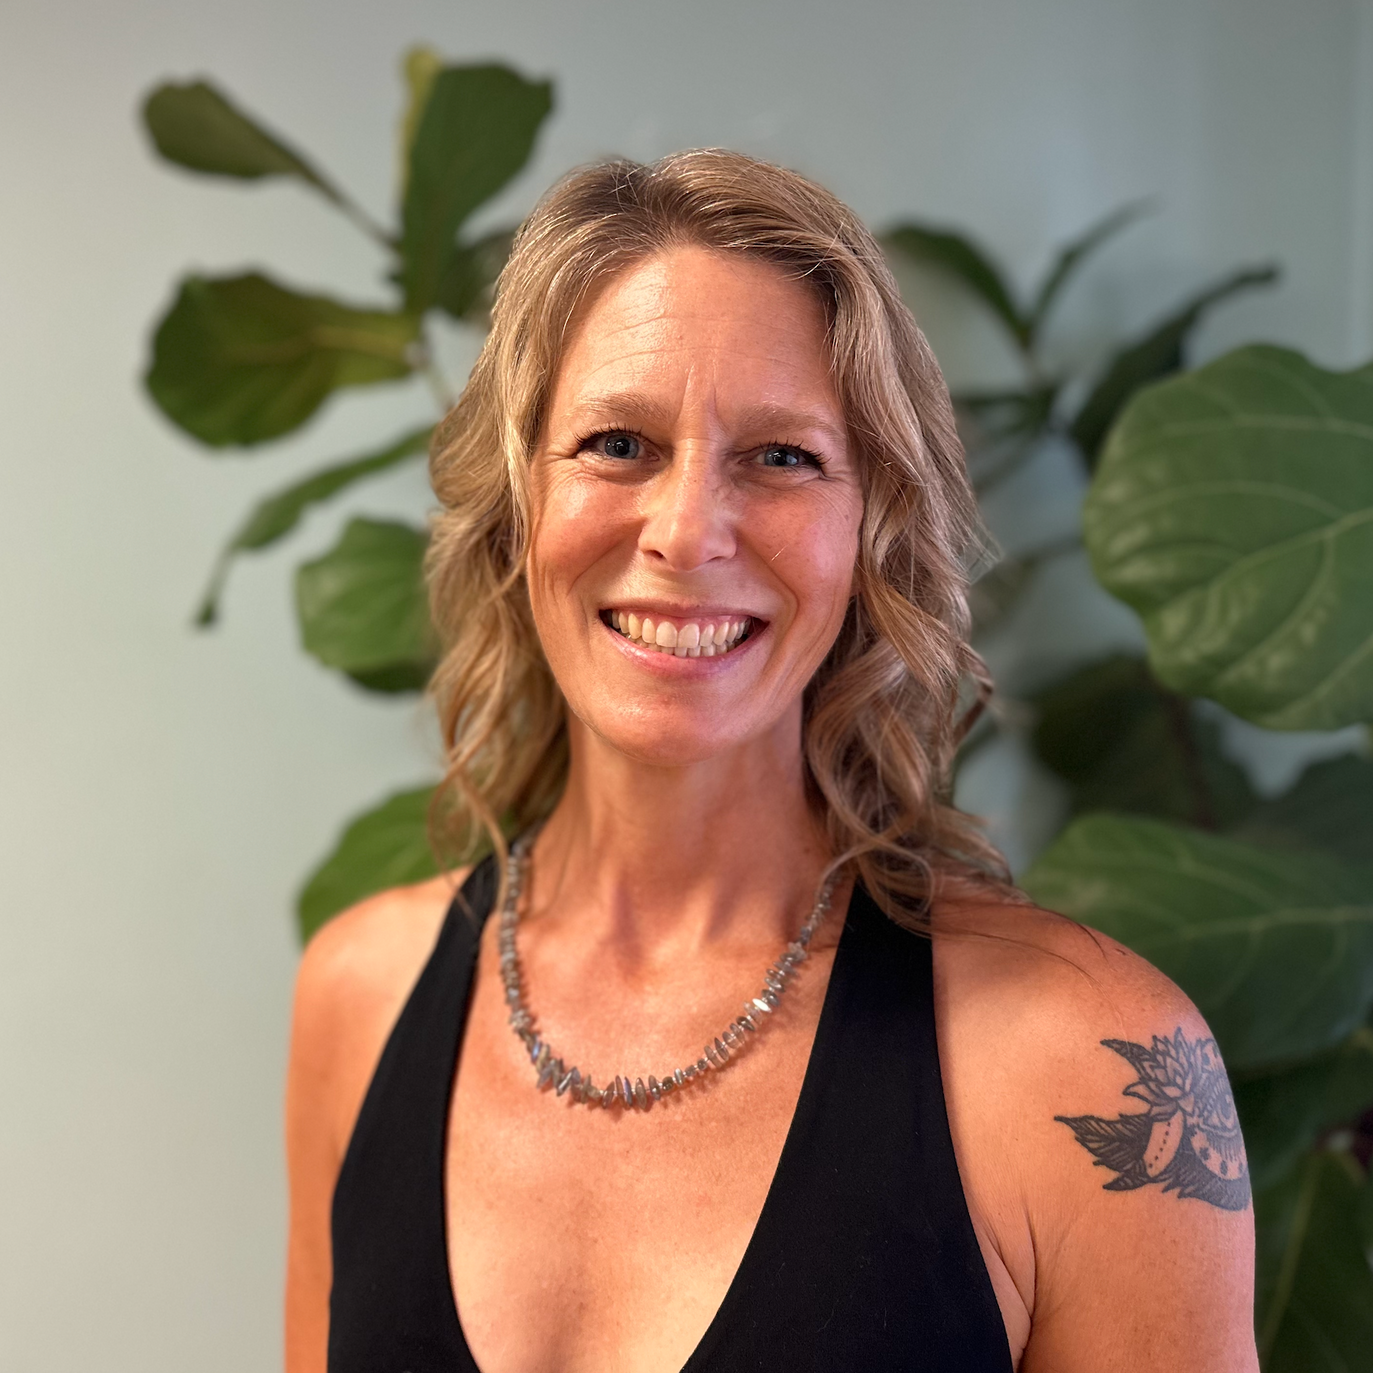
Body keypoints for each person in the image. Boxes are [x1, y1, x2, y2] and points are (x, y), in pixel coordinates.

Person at [284, 150, 1257, 1373]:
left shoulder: (1088, 1062)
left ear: (872, 529)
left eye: (781, 456)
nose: (688, 530)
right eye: (617, 442)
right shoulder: (358, 994)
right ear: (517, 504)